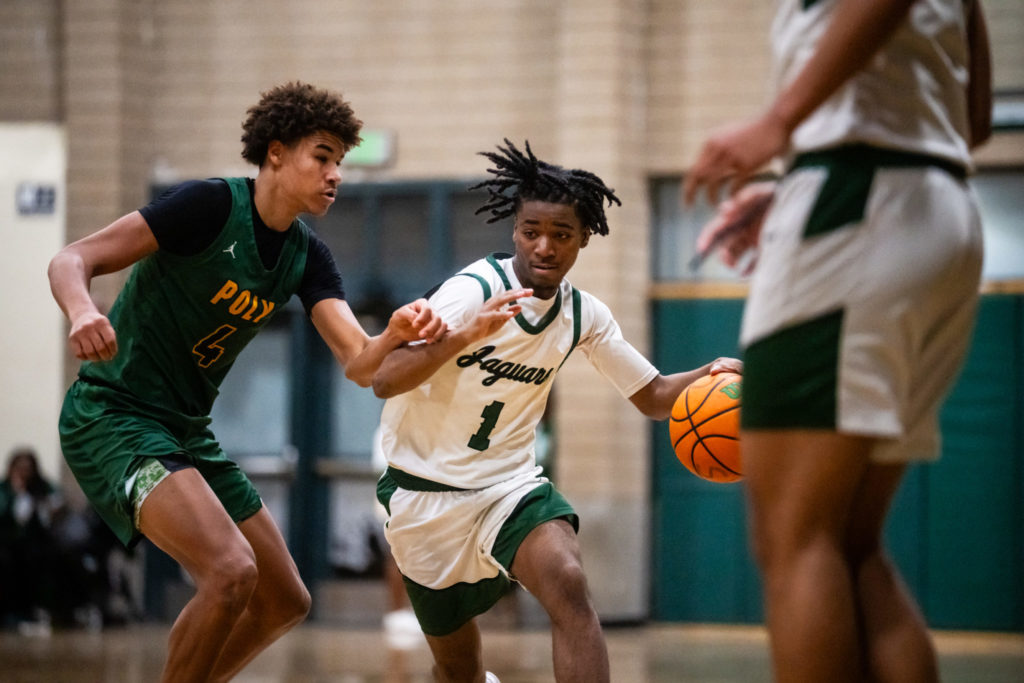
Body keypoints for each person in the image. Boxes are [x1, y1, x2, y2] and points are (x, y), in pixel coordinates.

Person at [48, 81, 446, 682]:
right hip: (114, 415)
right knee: (231, 569)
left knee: (286, 599)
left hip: (185, 432)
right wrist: (82, 311)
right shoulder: (208, 207)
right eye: (323, 156)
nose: (336, 173)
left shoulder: (307, 256)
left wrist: (392, 335)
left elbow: (360, 364)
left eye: (341, 161)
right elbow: (71, 259)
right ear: (277, 152)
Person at [682, 1, 992, 681]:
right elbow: (975, 118)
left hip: (857, 198)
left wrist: (783, 126)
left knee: (795, 539)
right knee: (850, 543)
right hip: (939, 208)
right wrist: (799, 175)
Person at [371, 139, 742, 683]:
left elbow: (655, 395)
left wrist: (710, 373)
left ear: (583, 238)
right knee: (457, 671)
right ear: (514, 230)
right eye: (531, 231)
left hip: (508, 486)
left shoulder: (583, 315)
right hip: (423, 491)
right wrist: (464, 336)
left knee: (568, 580)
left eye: (561, 234)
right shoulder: (471, 291)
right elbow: (383, 379)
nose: (544, 246)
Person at [0, 447, 63, 633]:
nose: (24, 473)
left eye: (28, 468)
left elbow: (55, 505)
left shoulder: (42, 488)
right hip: (8, 545)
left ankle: (38, 610)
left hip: (36, 546)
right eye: (20, 468)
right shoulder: (4, 490)